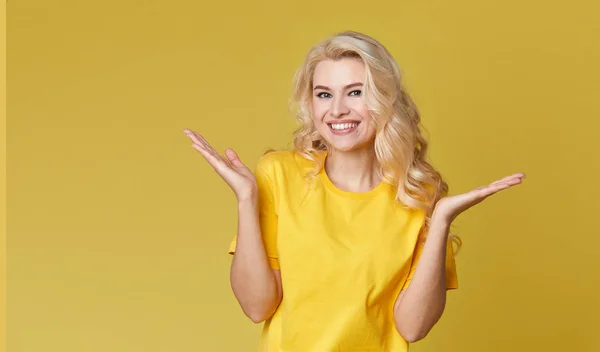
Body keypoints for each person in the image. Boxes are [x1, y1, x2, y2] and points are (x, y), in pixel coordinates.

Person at [184, 30, 524, 351]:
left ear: (385, 99)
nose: (337, 110)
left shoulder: (418, 194)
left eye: (355, 92)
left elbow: (412, 327)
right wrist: (245, 200)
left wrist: (441, 221)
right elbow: (257, 306)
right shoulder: (278, 173)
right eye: (324, 94)